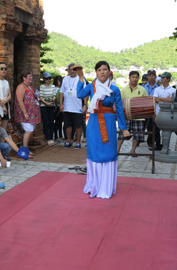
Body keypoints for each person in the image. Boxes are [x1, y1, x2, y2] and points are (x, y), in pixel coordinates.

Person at [75, 61, 130, 199]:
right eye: (99, 70)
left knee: (108, 152)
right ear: (96, 72)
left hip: (109, 122)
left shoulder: (115, 89)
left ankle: (106, 186)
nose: (102, 72)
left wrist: (123, 128)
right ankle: (93, 185)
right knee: (94, 151)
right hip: (93, 122)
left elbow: (119, 110)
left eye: (104, 69)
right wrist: (80, 78)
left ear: (109, 71)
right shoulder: (91, 86)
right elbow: (80, 94)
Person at [117, 71, 147, 156]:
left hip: (138, 116)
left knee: (137, 134)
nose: (135, 79)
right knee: (121, 134)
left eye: (136, 77)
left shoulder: (142, 89)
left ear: (138, 78)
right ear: (129, 77)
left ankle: (133, 150)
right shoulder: (123, 90)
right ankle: (117, 150)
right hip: (126, 116)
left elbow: (146, 101)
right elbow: (119, 103)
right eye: (133, 77)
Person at [14, 69, 41, 158]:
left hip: (32, 114)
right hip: (24, 113)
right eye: (29, 76)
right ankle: (25, 151)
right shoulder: (21, 86)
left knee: (30, 131)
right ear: (24, 78)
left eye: (31, 76)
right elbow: (20, 100)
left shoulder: (30, 87)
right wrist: (25, 113)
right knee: (28, 131)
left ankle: (26, 149)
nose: (31, 78)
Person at [60, 63, 86, 149]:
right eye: (70, 69)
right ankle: (68, 141)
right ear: (68, 70)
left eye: (74, 69)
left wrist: (85, 105)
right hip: (67, 106)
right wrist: (61, 104)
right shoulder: (65, 79)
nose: (72, 71)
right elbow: (61, 92)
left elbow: (85, 93)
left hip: (77, 106)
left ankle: (78, 142)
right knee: (68, 125)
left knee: (78, 125)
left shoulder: (81, 79)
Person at [152, 72, 174, 149]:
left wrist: (160, 98)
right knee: (156, 130)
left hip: (167, 113)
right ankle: (158, 144)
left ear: (168, 79)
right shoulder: (157, 89)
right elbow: (154, 99)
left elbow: (171, 100)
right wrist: (166, 99)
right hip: (158, 112)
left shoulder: (172, 90)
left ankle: (165, 145)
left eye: (163, 78)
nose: (161, 79)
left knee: (166, 130)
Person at [39, 72, 56, 146]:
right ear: (44, 79)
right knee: (46, 123)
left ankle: (51, 138)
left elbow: (54, 95)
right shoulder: (42, 87)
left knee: (51, 123)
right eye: (47, 79)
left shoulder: (53, 86)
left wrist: (52, 101)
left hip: (51, 106)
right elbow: (41, 97)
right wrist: (46, 103)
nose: (48, 80)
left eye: (49, 78)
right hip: (44, 106)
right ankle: (48, 138)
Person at [53, 75, 64, 140]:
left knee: (58, 122)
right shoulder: (59, 89)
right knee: (58, 122)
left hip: (56, 107)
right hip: (58, 107)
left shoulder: (53, 88)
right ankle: (58, 136)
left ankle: (59, 135)